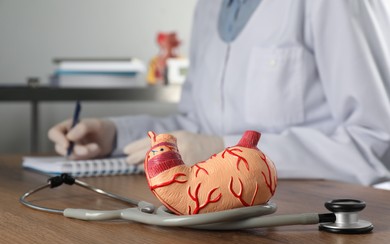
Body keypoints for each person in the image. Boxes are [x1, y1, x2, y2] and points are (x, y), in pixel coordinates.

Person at [48, 0, 390, 186]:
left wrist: (222, 150)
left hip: (310, 223)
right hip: (217, 212)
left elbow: (373, 143)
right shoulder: (209, 7)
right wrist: (113, 134)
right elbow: (194, 122)